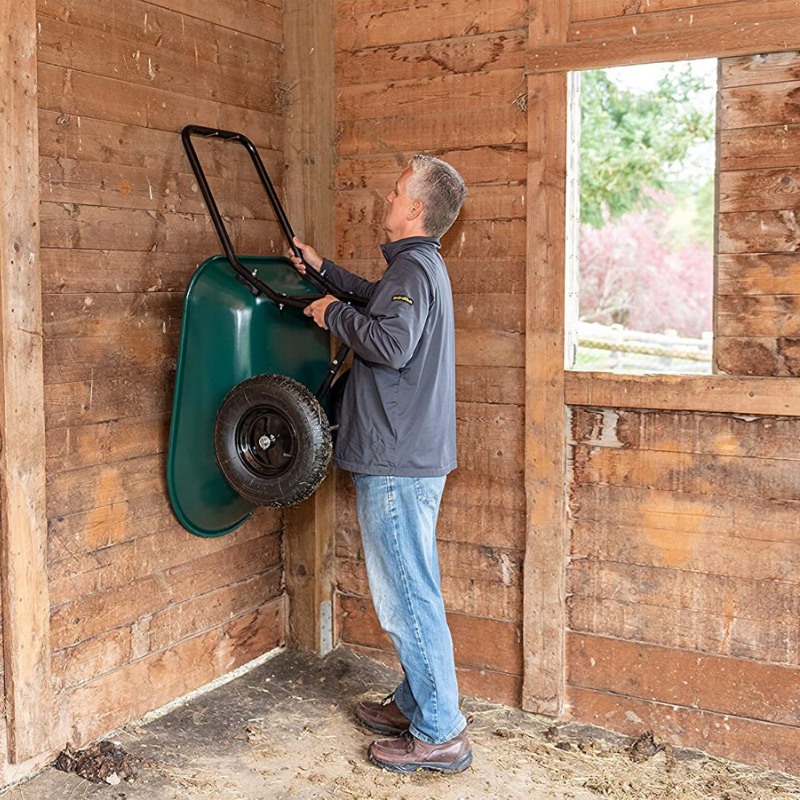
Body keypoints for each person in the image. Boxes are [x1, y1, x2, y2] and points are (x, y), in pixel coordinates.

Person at [290, 154, 470, 774]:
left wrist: (329, 312)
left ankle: (441, 731)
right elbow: (377, 300)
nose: (385, 199)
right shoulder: (419, 269)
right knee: (411, 584)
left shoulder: (414, 272)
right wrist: (324, 273)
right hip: (409, 455)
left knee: (406, 596)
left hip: (396, 461)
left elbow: (388, 343)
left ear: (415, 209)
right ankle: (417, 702)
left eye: (395, 192)